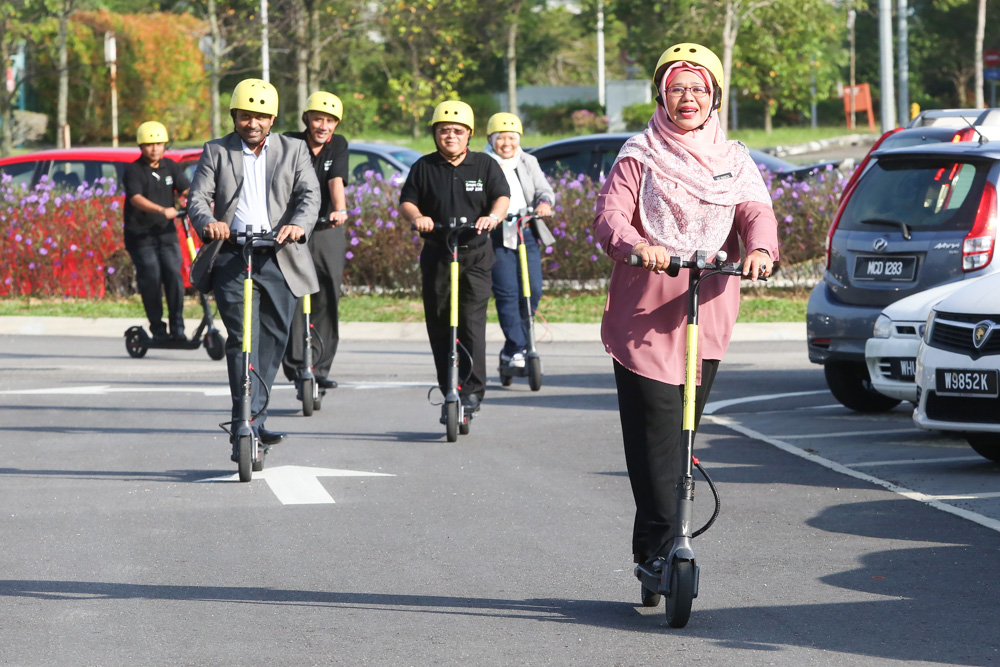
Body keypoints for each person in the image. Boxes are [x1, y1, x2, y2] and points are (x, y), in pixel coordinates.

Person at [592, 43, 778, 571]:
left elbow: (756, 213)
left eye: (698, 88)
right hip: (646, 310)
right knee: (655, 433)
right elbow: (611, 217)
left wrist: (762, 250)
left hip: (708, 306)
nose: (688, 97)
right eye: (678, 87)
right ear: (661, 94)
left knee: (683, 432)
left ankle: (664, 543)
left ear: (714, 96)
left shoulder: (735, 158)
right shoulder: (640, 152)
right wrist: (637, 246)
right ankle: (659, 548)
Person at [188, 78, 321, 458]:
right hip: (233, 253)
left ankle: (254, 419)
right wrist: (209, 223)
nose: (253, 124)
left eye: (261, 117)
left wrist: (298, 225)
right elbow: (199, 197)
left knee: (274, 340)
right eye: (246, 116)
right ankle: (243, 422)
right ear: (234, 116)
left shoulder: (294, 150)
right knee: (242, 339)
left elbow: (309, 195)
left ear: (273, 118)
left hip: (280, 254)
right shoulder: (216, 151)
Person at [400, 100, 510, 416]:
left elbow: (501, 196)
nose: (450, 136)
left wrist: (493, 216)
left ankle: (473, 391)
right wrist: (418, 217)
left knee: (471, 323)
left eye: (457, 131)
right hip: (437, 254)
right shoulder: (423, 167)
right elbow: (407, 201)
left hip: (474, 255)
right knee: (439, 322)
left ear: (469, 135)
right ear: (435, 133)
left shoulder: (485, 165)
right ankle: (449, 385)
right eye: (444, 130)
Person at [281, 91, 350, 392]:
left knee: (327, 292)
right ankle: (296, 364)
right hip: (292, 228)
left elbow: (336, 180)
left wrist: (340, 209)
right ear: (306, 119)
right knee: (293, 295)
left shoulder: (338, 144)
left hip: (326, 228)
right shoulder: (288, 142)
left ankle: (320, 367)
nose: (324, 125)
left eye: (330, 121)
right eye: (319, 118)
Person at [483, 112, 556, 371]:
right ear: (490, 139)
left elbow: (543, 190)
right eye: (500, 138)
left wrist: (544, 203)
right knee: (508, 293)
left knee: (533, 290)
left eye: (511, 138)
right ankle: (516, 347)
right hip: (496, 234)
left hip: (525, 230)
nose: (506, 144)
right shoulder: (483, 163)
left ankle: (519, 345)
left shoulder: (528, 161)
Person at [123, 121, 191, 342]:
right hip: (140, 235)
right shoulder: (134, 170)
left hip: (166, 234)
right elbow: (136, 198)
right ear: (141, 146)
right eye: (149, 144)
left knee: (174, 274)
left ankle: (178, 328)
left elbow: (186, 189)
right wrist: (163, 210)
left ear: (164, 146)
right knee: (151, 276)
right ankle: (157, 328)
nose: (154, 149)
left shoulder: (171, 167)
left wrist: (196, 198)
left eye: (159, 144)